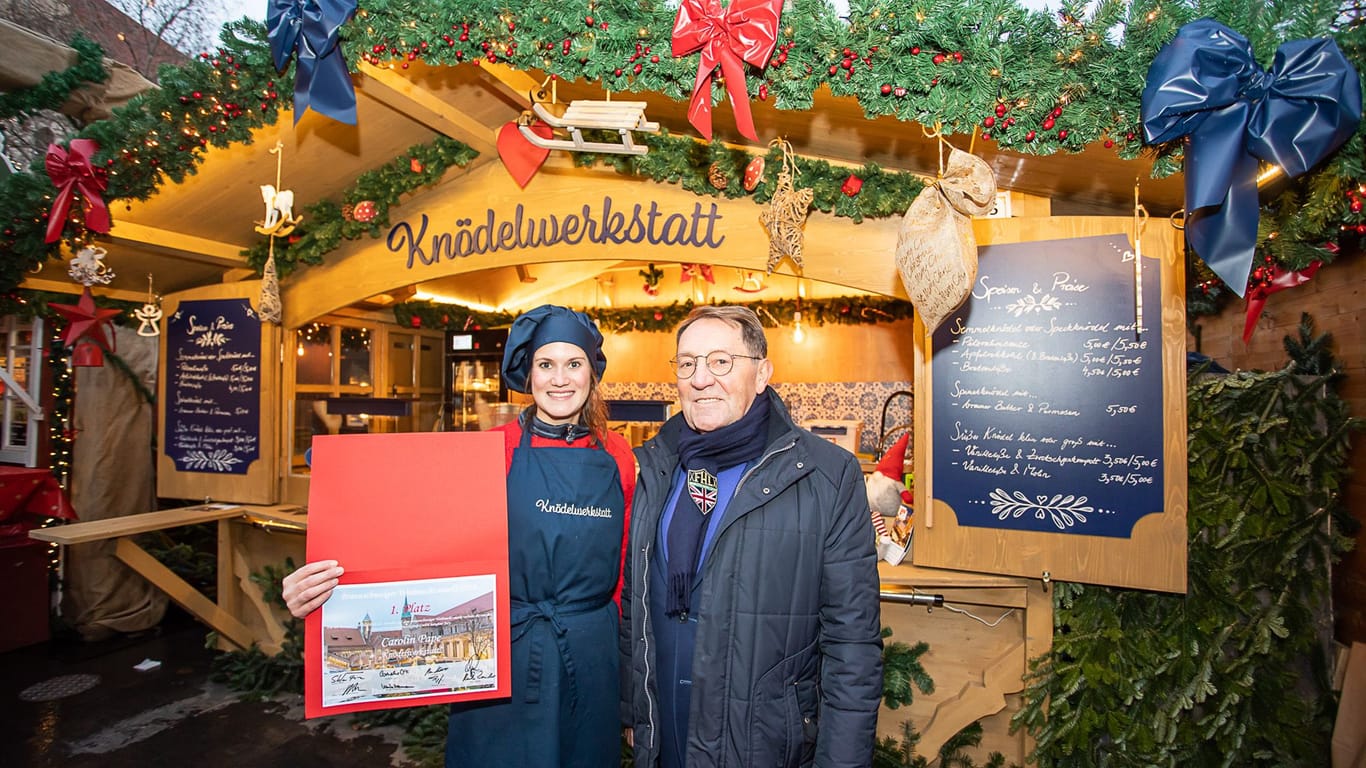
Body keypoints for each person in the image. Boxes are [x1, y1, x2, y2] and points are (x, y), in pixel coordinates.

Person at [283, 304, 635, 768]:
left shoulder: (619, 456)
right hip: (498, 653)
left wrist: (633, 687)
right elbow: (405, 534)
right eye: (545, 364)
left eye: (574, 364)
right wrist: (322, 589)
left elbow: (629, 573)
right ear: (527, 374)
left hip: (592, 653)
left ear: (592, 373)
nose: (560, 379)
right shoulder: (488, 449)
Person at [620, 305, 883, 767]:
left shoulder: (826, 475)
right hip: (665, 739)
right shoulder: (656, 466)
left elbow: (852, 645)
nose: (700, 378)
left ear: (762, 374)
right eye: (687, 363)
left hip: (760, 745)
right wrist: (630, 709)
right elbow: (634, 607)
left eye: (721, 361)